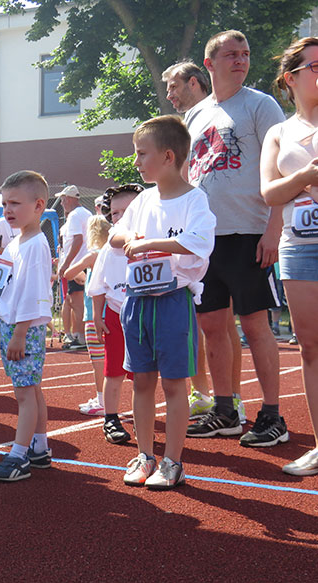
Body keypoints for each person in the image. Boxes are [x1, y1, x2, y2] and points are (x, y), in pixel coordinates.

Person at [185, 30, 288, 447]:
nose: (241, 60)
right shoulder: (195, 115)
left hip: (249, 233)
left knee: (255, 325)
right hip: (207, 239)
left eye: (245, 54)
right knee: (211, 325)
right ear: (209, 64)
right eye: (231, 54)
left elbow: (282, 169)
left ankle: (272, 415)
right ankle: (225, 410)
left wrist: (273, 229)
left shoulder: (261, 105)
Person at [111, 115, 216, 489]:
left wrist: (150, 244)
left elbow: (200, 242)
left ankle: (173, 461)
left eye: (142, 154)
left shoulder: (194, 200)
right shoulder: (142, 200)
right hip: (138, 301)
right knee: (141, 381)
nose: (136, 162)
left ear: (168, 156)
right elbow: (116, 232)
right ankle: (144, 455)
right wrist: (126, 236)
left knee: (173, 384)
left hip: (174, 302)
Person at [162, 58, 246, 424]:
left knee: (224, 321)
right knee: (201, 320)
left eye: (174, 87)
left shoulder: (224, 111)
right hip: (193, 231)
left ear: (194, 82)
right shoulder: (188, 122)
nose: (169, 95)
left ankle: (234, 398)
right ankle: (202, 393)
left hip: (229, 228)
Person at [260, 37, 318, 473]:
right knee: (311, 348)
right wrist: (306, 176)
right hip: (299, 248)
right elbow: (269, 192)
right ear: (291, 78)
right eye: (316, 66)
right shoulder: (279, 132)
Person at [0, 170, 53, 481]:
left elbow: (32, 293)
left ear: (38, 205)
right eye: (3, 204)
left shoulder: (36, 245)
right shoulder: (16, 242)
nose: (7, 210)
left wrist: (21, 333)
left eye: (15, 203)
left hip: (24, 328)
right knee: (31, 389)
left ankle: (18, 456)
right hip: (13, 325)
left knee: (24, 394)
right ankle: (39, 447)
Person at [86, 184, 142, 444]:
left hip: (144, 314)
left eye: (127, 211)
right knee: (114, 371)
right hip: (116, 316)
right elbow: (97, 287)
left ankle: (144, 417)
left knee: (143, 373)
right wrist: (97, 317)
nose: (120, 217)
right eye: (116, 213)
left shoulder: (151, 242)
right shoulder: (109, 249)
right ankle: (111, 418)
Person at [65, 215, 110, 416]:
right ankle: (108, 399)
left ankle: (102, 399)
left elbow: (68, 273)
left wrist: (82, 275)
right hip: (113, 312)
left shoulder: (92, 256)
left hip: (94, 316)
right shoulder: (113, 253)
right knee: (114, 359)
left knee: (98, 361)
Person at [56, 185, 92, 349]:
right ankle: (78, 335)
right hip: (82, 263)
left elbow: (77, 240)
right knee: (73, 300)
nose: (62, 203)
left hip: (78, 264)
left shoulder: (75, 216)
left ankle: (80, 337)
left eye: (63, 200)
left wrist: (67, 263)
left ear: (70, 199)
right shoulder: (85, 214)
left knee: (77, 302)